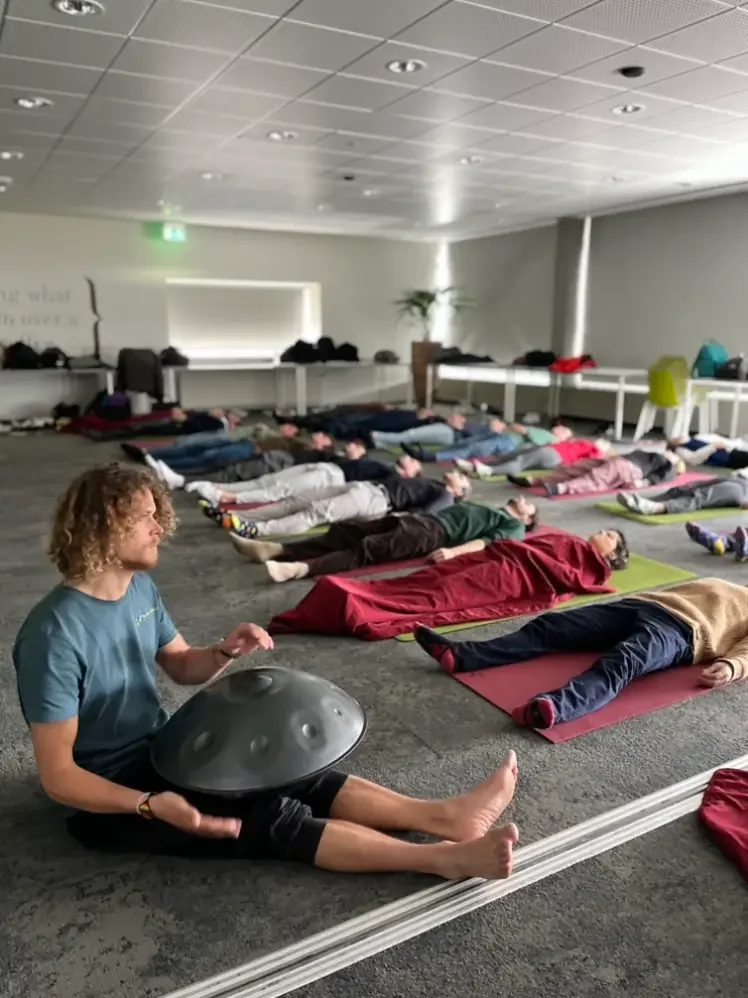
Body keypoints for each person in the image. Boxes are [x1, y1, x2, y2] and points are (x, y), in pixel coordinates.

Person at [11, 463, 519, 879]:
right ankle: (443, 860)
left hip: (161, 750)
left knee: (294, 771)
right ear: (102, 527)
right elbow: (59, 778)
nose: (159, 527)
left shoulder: (139, 590)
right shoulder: (52, 637)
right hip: (108, 799)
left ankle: (445, 816)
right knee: (271, 817)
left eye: (155, 515)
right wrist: (148, 805)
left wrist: (224, 651)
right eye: (143, 518)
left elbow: (183, 666)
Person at [413, 576, 748, 729]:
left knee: (625, 660)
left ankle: (556, 707)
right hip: (641, 605)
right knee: (553, 625)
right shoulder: (731, 583)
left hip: (682, 631)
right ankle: (462, 655)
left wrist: (732, 667)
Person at [268, 527, 628, 640]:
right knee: (426, 578)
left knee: (438, 595)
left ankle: (354, 604)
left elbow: (567, 579)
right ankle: (355, 593)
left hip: (513, 574)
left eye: (611, 535)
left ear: (613, 553)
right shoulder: (568, 537)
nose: (602, 532)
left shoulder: (595, 567)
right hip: (498, 556)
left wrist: (523, 554)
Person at [232, 495, 543, 582]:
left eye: (530, 503)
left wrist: (453, 553)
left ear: (528, 519)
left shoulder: (513, 527)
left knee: (368, 548)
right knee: (345, 531)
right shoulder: (491, 507)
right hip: (422, 519)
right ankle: (275, 548)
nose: (523, 498)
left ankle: (298, 569)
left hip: (436, 535)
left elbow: (486, 544)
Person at [202, 470, 472, 539]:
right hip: (364, 487)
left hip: (376, 500)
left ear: (459, 490)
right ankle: (238, 517)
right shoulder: (435, 483)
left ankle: (255, 531)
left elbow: (422, 515)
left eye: (461, 478)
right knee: (294, 501)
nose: (456, 474)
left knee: (316, 513)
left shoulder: (446, 496)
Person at [185, 444, 422, 507]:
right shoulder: (383, 463)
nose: (408, 459)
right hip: (325, 468)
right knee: (269, 480)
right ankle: (214, 486)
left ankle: (227, 498)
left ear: (413, 473)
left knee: (278, 490)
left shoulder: (393, 477)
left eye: (413, 461)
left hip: (332, 480)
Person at [146, 431, 334, 482]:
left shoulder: (307, 448)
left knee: (213, 462)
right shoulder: (302, 443)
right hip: (254, 449)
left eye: (323, 437)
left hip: (255, 452)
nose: (318, 435)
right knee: (210, 460)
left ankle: (173, 472)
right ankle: (169, 469)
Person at [511, 448, 684, 497]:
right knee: (575, 468)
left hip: (629, 468)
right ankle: (536, 481)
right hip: (620, 462)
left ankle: (562, 488)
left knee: (595, 478)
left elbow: (663, 476)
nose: (671, 453)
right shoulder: (654, 455)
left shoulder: (670, 465)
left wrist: (644, 483)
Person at [403, 420, 570, 464]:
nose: (560, 428)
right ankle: (430, 452)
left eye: (564, 430)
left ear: (563, 438)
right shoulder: (547, 434)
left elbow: (522, 430)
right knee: (468, 443)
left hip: (507, 442)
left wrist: (508, 425)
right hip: (505, 438)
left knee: (472, 448)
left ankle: (428, 456)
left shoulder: (550, 437)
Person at [456, 437, 611, 480]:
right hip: (551, 453)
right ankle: (477, 466)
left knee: (520, 463)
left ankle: (487, 470)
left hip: (554, 456)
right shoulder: (585, 444)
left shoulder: (594, 450)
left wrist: (601, 450)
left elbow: (589, 461)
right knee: (512, 455)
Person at [617, 474, 748, 517]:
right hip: (737, 478)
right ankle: (646, 501)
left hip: (741, 491)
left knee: (700, 496)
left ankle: (656, 508)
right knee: (687, 487)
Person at [371, 412, 490, 450]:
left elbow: (467, 434)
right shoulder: (481, 426)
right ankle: (380, 443)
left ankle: (377, 436)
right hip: (448, 433)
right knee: (412, 438)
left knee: (411, 435)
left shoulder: (481, 429)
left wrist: (456, 425)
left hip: (449, 434)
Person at [669, 433, 748, 471]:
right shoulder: (681, 450)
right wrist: (713, 447)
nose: (678, 436)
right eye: (675, 439)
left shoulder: (698, 437)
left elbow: (719, 439)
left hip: (732, 448)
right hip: (726, 458)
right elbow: (694, 459)